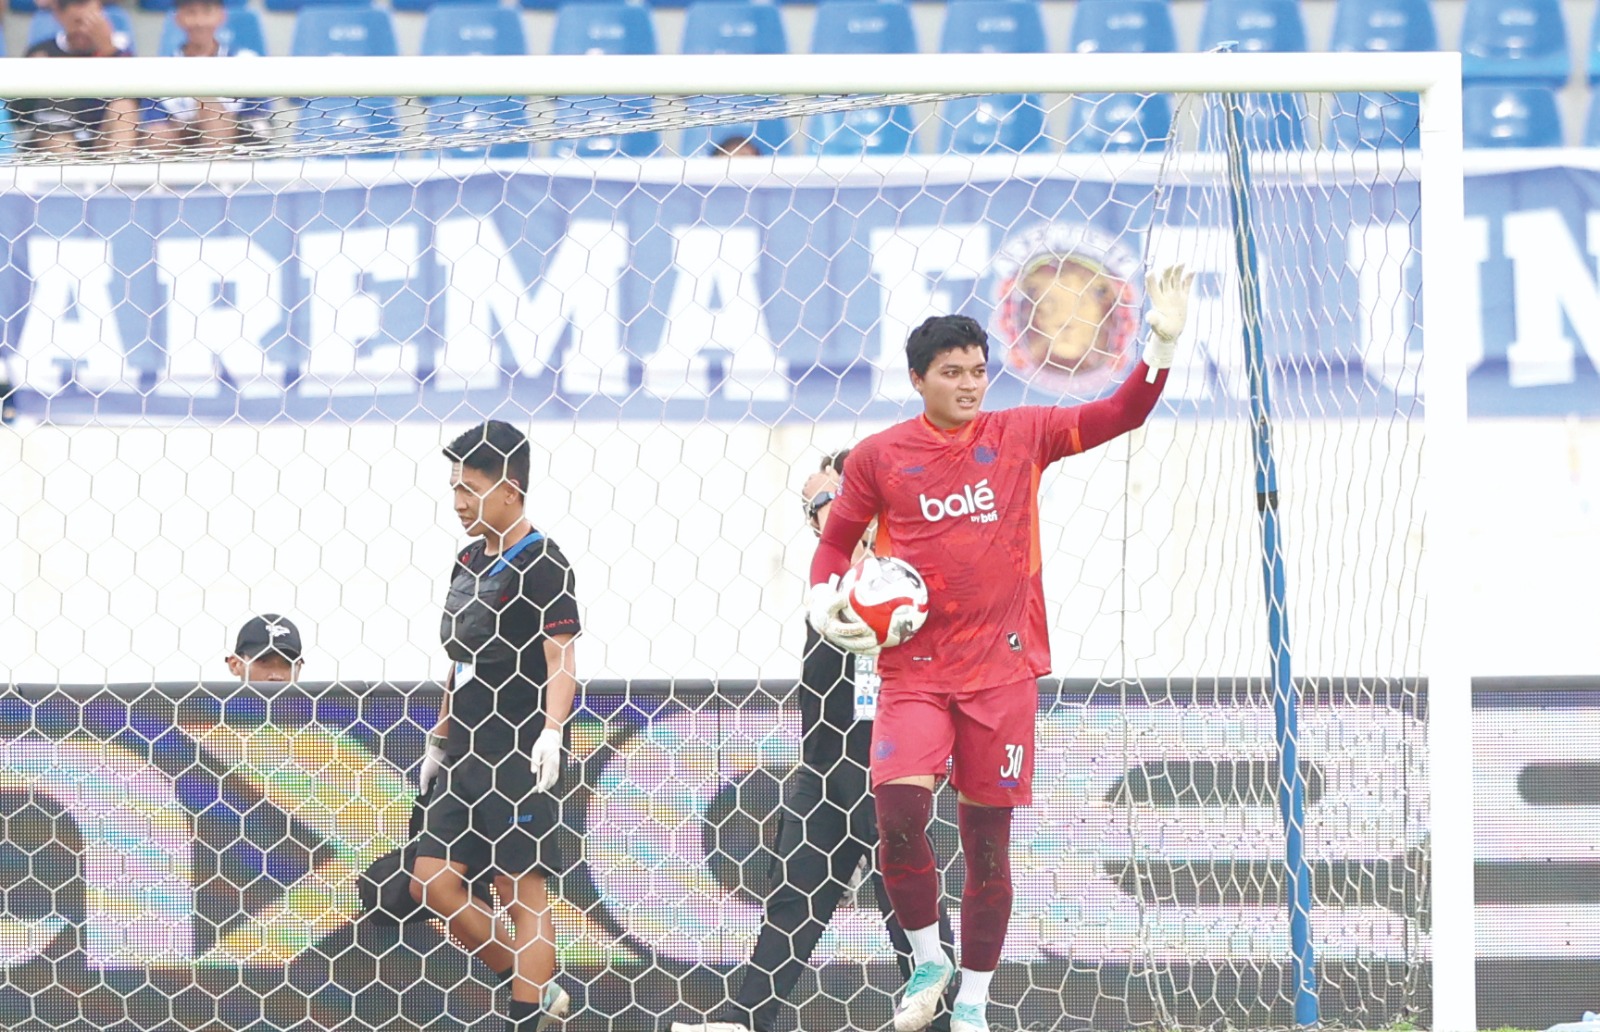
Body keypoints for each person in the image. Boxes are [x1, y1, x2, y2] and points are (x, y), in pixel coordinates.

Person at [805, 266, 1194, 1032]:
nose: (970, 384)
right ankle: (927, 955)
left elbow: (1123, 411)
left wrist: (1162, 341)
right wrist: (824, 599)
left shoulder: (1021, 435)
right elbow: (835, 546)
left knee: (987, 849)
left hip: (1001, 675)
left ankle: (973, 1008)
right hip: (914, 673)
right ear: (919, 380)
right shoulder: (882, 456)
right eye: (952, 373)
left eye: (979, 371)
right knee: (898, 813)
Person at [672, 451, 954, 1032]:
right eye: (815, 509)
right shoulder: (829, 587)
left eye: (831, 502)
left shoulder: (904, 582)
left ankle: (949, 1020)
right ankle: (742, 1021)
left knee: (909, 913)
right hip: (823, 771)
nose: (823, 517)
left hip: (888, 772)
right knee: (792, 904)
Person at [410, 419, 580, 1032]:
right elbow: (460, 661)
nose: (458, 502)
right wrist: (437, 738)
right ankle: (535, 984)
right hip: (463, 753)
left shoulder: (544, 563)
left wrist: (553, 732)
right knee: (431, 884)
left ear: (510, 490)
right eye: (453, 487)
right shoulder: (464, 559)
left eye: (470, 488)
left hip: (516, 752)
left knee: (520, 894)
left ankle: (526, 1018)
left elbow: (562, 660)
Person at [12, 0, 139, 155]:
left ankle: (119, 173)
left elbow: (137, 98)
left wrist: (109, 52)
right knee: (53, 104)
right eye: (77, 22)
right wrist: (32, 81)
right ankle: (75, 176)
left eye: (91, 22)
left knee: (123, 105)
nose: (83, 30)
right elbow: (17, 115)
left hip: (100, 140)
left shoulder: (117, 53)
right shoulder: (42, 52)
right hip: (52, 142)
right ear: (60, 16)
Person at [146, 0, 271, 153]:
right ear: (177, 18)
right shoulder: (161, 70)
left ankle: (220, 176)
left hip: (236, 149)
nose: (199, 22)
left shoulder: (245, 61)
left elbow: (256, 120)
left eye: (207, 12)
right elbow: (156, 122)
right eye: (191, 13)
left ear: (221, 16)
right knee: (159, 134)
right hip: (180, 147)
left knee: (209, 107)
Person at [226, 613, 304, 683]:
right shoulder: (218, 698)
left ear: (299, 668)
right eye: (264, 661)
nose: (276, 676)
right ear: (235, 664)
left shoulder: (313, 699)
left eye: (289, 663)